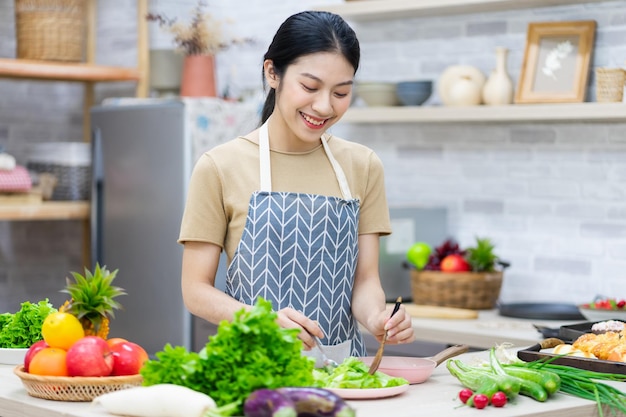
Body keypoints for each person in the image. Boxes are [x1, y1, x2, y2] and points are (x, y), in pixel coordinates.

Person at [178, 10, 415, 360]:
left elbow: (365, 282)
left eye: (341, 92)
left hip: (343, 371)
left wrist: (377, 319)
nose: (324, 106)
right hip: (253, 369)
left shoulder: (363, 165)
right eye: (309, 87)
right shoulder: (220, 166)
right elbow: (195, 290)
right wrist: (261, 319)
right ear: (272, 72)